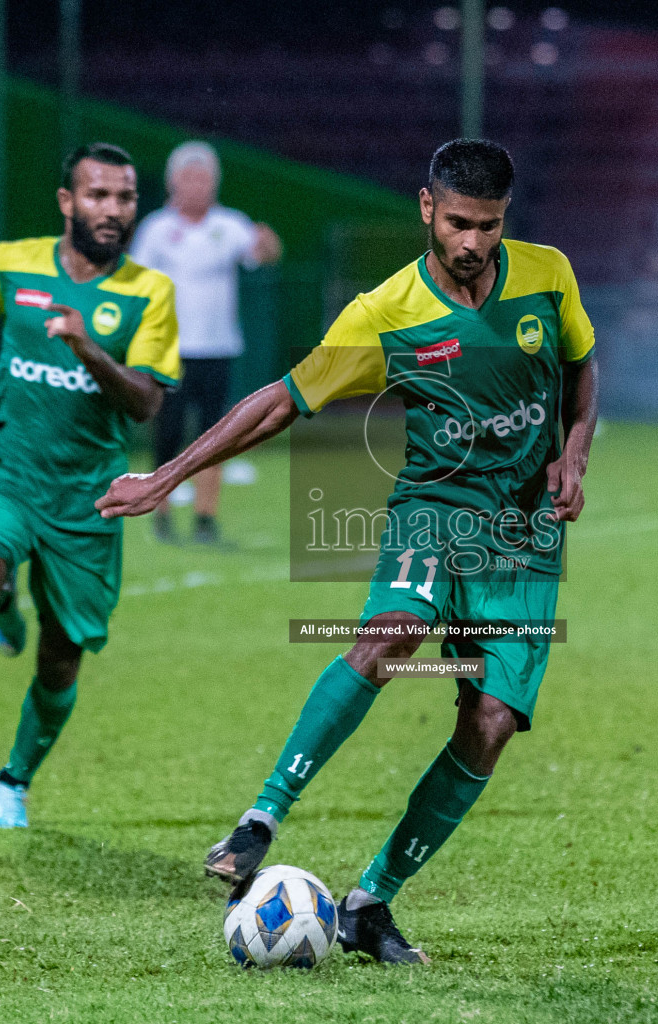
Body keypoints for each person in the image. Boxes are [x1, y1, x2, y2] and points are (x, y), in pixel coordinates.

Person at [98, 139, 598, 963]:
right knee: (392, 632)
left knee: (493, 720)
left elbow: (581, 369)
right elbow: (280, 401)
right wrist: (168, 474)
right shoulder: (386, 311)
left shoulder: (549, 273)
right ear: (427, 208)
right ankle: (260, 819)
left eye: (492, 226)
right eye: (461, 223)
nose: (475, 244)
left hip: (521, 534)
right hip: (434, 510)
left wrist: (573, 454)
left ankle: (369, 905)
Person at [0, 143, 180, 829]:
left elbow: (146, 403)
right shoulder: (11, 262)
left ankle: (13, 780)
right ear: (67, 202)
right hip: (12, 470)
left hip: (90, 496)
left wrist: (87, 347)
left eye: (125, 197)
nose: (113, 210)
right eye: (98, 195)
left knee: (60, 658)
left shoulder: (149, 293)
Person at [129, 141, 281, 546]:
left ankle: (205, 519)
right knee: (168, 434)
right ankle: (159, 514)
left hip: (218, 349)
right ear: (173, 181)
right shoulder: (157, 229)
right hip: (171, 350)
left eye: (205, 177)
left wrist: (267, 243)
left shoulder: (229, 225)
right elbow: (136, 284)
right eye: (189, 176)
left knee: (216, 436)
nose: (197, 185)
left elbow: (263, 254)